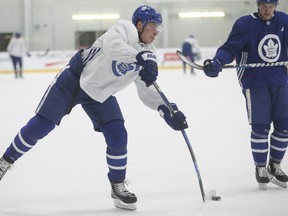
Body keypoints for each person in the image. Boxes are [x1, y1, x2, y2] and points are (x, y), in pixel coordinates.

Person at [0, 5, 188, 211]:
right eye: (153, 26)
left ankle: (117, 186)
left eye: (158, 28)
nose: (156, 31)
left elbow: (147, 90)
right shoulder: (124, 29)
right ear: (140, 24)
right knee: (41, 126)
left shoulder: (149, 53)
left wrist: (166, 110)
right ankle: (5, 161)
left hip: (100, 92)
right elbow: (112, 46)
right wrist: (138, 58)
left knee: (118, 134)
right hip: (74, 80)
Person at [202, 0, 288, 190]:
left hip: (280, 80)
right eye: (264, 5)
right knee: (260, 127)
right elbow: (230, 48)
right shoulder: (245, 24)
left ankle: (275, 165)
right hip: (255, 81)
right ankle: (260, 168)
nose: (267, 9)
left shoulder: (284, 20)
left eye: (271, 5)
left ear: (276, 6)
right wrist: (218, 61)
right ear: (258, 5)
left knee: (284, 126)